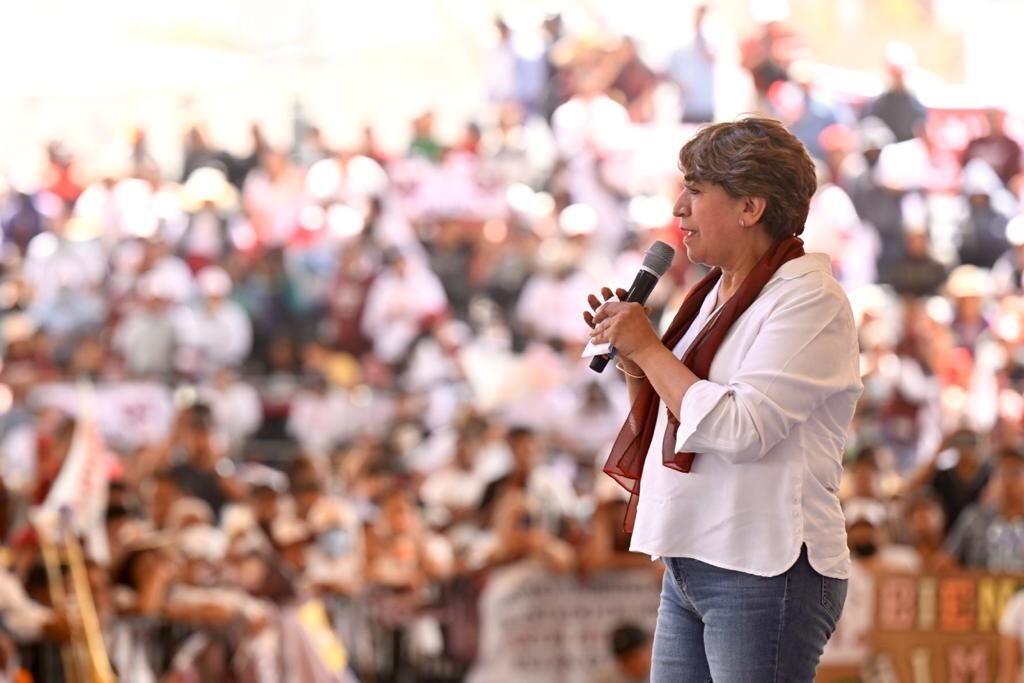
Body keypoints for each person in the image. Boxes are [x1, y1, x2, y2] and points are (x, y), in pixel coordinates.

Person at [585, 116, 861, 681]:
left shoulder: (809, 299)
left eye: (695, 190)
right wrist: (637, 359)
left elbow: (740, 429)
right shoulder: (712, 292)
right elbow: (676, 408)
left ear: (750, 207)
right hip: (695, 554)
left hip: (763, 567)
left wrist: (650, 348)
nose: (678, 208)